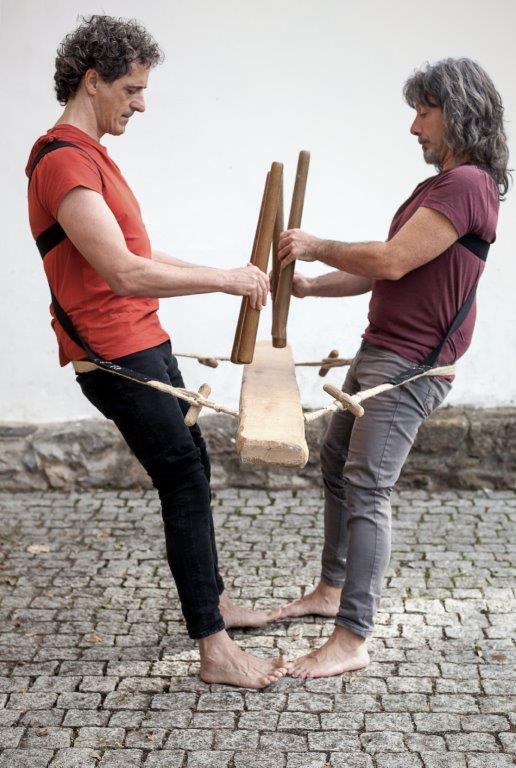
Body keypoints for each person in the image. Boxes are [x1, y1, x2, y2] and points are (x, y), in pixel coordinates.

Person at [26, 14, 286, 689]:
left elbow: (138, 258)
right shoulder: (61, 161)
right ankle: (215, 647)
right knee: (182, 476)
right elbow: (122, 272)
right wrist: (226, 280)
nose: (141, 103)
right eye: (133, 89)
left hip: (144, 339)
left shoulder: (91, 158)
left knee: (191, 468)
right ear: (93, 79)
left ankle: (215, 603)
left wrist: (224, 272)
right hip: (113, 353)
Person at [276, 58, 510, 679]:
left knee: (367, 484)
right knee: (336, 466)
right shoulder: (438, 188)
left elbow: (394, 259)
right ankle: (331, 589)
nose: (414, 127)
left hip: (410, 366)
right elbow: (382, 267)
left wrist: (316, 241)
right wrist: (310, 285)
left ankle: (351, 638)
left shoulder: (467, 185)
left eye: (423, 111)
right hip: (381, 350)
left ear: (457, 112)